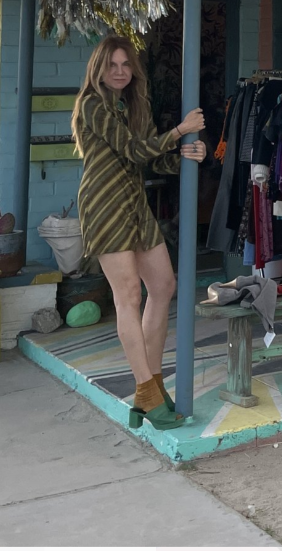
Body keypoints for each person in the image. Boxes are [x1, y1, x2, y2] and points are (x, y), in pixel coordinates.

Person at [72, 34, 206, 431]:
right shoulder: (92, 104)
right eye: (111, 65)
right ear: (98, 70)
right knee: (129, 294)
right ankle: (146, 389)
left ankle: (152, 384)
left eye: (125, 64)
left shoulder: (134, 105)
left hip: (133, 203)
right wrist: (179, 131)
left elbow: (150, 159)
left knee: (163, 285)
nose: (119, 71)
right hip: (104, 204)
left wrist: (187, 156)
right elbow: (131, 150)